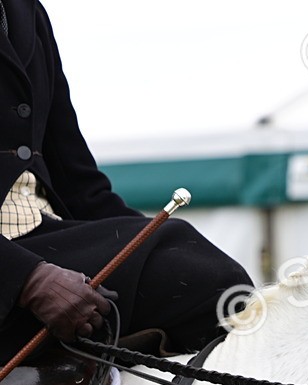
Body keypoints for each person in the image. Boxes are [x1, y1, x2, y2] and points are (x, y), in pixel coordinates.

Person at [0, 0, 250, 364]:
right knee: (199, 278)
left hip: (45, 236)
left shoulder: (26, 10)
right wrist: (28, 279)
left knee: (200, 268)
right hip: (15, 264)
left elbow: (79, 185)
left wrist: (142, 238)